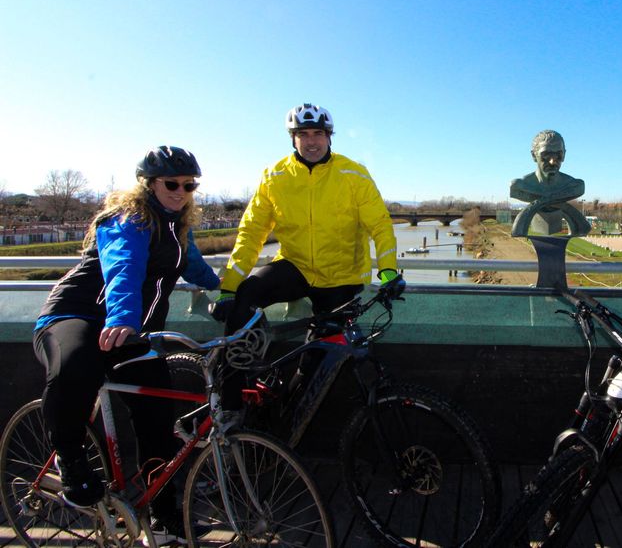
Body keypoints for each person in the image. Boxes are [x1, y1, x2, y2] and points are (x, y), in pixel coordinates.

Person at [34, 146, 220, 543]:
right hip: (79, 314)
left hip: (129, 331)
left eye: (189, 185)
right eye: (172, 183)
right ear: (148, 184)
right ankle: (71, 460)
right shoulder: (128, 220)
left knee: (158, 416)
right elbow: (124, 268)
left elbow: (198, 270)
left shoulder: (177, 229)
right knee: (76, 366)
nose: (181, 191)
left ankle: (166, 516)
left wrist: (235, 292)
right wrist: (120, 319)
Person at [212, 103, 401, 366]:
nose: (311, 142)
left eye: (318, 133)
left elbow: (380, 225)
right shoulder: (274, 176)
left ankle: (301, 398)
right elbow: (252, 232)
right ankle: (231, 401)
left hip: (341, 275)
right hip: (295, 266)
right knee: (244, 297)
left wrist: (388, 271)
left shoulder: (353, 174)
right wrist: (229, 287)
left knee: (318, 362)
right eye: (303, 134)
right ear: (293, 139)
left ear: (329, 136)